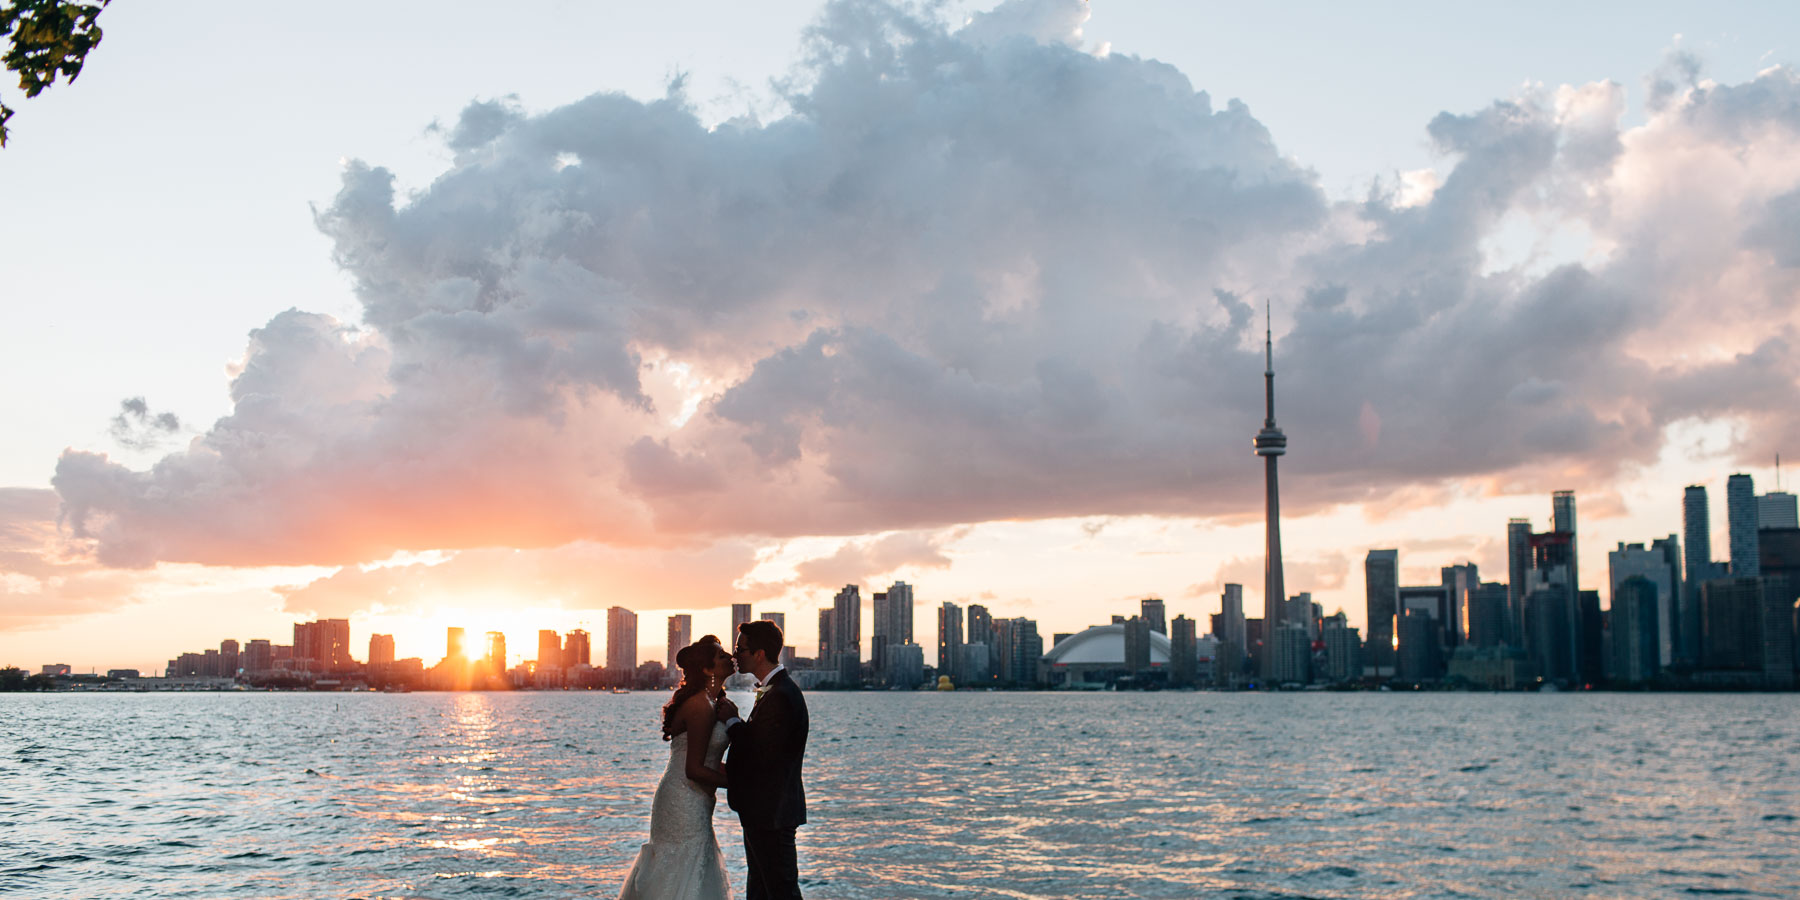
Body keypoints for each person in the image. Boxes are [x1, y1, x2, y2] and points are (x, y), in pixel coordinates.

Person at [616, 636, 737, 900]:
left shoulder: (713, 704)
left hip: (695, 797)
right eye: (721, 656)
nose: (730, 656)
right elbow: (694, 769)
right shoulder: (700, 706)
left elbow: (709, 761)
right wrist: (741, 784)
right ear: (707, 670)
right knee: (681, 866)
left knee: (692, 866)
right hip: (683, 798)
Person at [715, 620, 809, 900]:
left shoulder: (780, 695)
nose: (735, 656)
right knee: (760, 890)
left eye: (739, 649)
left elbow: (758, 753)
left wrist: (731, 720)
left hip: (772, 813)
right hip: (765, 810)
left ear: (759, 654)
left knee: (780, 891)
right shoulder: (776, 691)